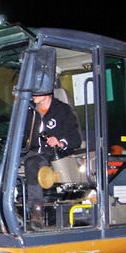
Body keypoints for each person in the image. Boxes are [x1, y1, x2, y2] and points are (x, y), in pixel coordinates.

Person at [21, 90, 82, 229]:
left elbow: (75, 139)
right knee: (3, 163)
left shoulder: (62, 110)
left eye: (38, 91)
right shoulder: (29, 111)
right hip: (31, 151)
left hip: (51, 154)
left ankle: (37, 211)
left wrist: (60, 142)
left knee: (32, 163)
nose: (33, 94)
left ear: (47, 90)